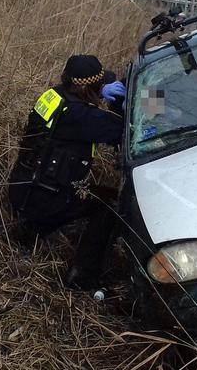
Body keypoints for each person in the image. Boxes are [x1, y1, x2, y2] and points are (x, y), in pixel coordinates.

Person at [7, 55, 127, 290]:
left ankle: (29, 229)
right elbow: (120, 129)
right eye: (97, 86)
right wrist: (151, 97)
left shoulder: (55, 94)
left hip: (24, 185)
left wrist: (102, 87)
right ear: (84, 88)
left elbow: (102, 80)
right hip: (43, 199)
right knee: (109, 205)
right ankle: (82, 278)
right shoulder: (78, 117)